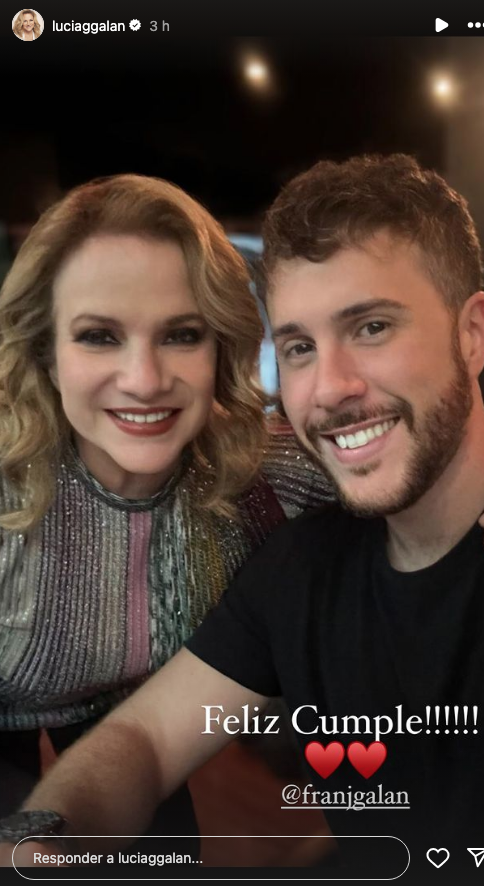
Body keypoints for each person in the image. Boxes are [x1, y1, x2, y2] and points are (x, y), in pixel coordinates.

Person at [2, 156, 484, 881]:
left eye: (371, 326)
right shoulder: (301, 564)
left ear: (472, 334)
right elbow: (144, 740)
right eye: (300, 347)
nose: (329, 389)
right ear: (47, 356)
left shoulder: (269, 482)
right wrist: (41, 848)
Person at [0, 173, 334, 827]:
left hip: (132, 720)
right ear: (48, 354)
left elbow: (425, 467)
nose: (145, 381)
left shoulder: (270, 476)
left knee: (168, 847)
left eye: (181, 334)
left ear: (221, 346)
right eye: (99, 335)